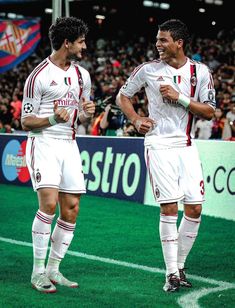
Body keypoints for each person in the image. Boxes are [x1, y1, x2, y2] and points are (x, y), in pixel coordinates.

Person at [116, 19, 215, 292]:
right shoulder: (147, 70)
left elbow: (209, 111)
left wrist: (180, 97)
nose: (157, 44)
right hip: (158, 144)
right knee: (169, 207)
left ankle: (180, 265)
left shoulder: (200, 72)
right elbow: (122, 97)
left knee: (195, 209)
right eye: (157, 39)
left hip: (186, 144)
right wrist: (136, 119)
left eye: (163, 40)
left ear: (179, 43)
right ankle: (171, 273)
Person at [21, 16, 95, 293]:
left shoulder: (82, 75)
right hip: (44, 141)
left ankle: (53, 268)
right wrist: (52, 119)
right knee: (49, 205)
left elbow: (82, 115)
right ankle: (37, 272)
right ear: (67, 43)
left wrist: (88, 113)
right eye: (80, 41)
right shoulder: (38, 76)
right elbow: (26, 121)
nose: (84, 46)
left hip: (70, 144)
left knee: (72, 208)